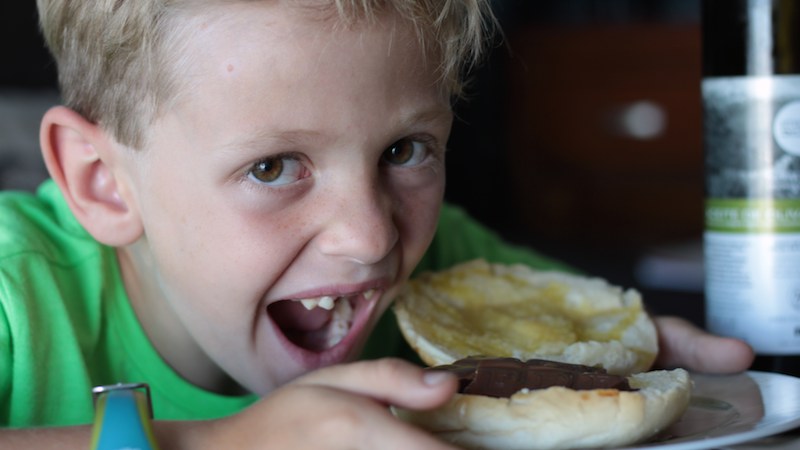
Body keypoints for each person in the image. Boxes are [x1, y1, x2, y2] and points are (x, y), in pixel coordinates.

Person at [1, 0, 753, 448]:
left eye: (404, 150)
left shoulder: (450, 281)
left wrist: (618, 353)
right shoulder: (15, 290)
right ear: (103, 184)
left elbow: (584, 349)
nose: (371, 238)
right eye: (273, 167)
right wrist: (222, 441)